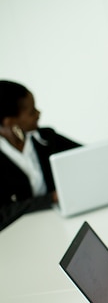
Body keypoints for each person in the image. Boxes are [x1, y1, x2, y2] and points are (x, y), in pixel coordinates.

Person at [0, 80, 81, 230]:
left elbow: (86, 155)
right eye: (31, 112)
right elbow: (4, 212)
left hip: (60, 222)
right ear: (10, 122)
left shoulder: (46, 138)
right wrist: (51, 198)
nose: (38, 113)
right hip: (21, 233)